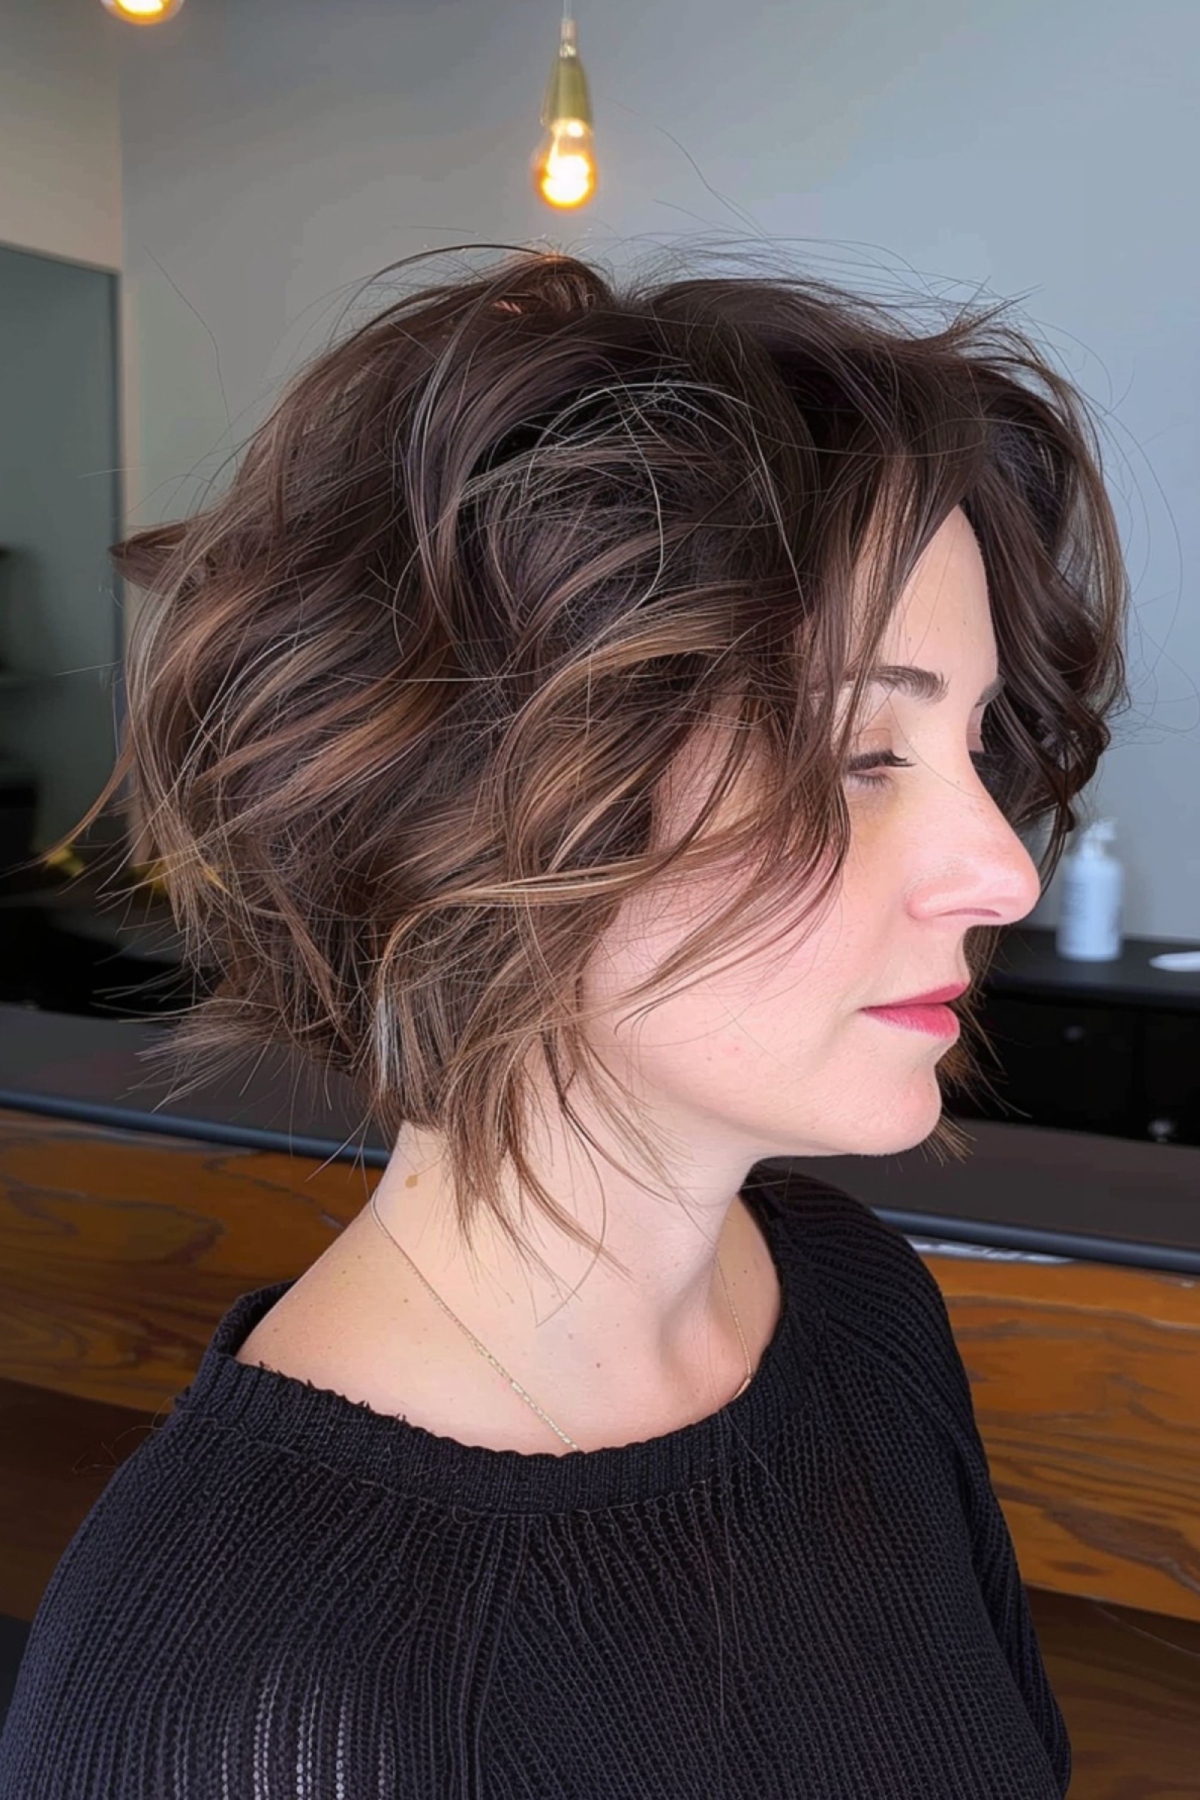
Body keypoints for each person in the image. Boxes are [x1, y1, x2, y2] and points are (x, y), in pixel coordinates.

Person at [0, 243, 1129, 1798]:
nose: (1002, 871)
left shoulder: (859, 1304)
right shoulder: (240, 1703)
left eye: (975, 745)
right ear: (489, 799)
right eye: (861, 756)